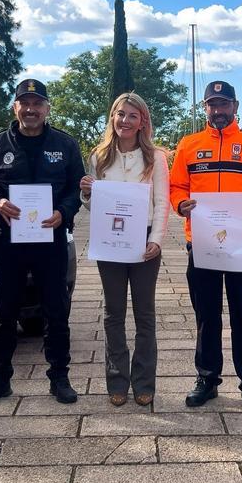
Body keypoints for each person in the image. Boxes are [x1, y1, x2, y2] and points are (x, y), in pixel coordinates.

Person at [0, 79, 86, 405]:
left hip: (51, 241)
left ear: (47, 108)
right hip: (9, 241)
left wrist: (64, 211)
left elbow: (76, 188)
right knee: (4, 312)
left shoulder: (65, 144)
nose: (31, 109)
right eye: (25, 102)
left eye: (37, 103)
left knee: (56, 310)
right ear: (15, 107)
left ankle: (59, 378)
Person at [169, 80, 242, 409]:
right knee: (206, 315)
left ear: (235, 106)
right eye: (212, 104)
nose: (218, 110)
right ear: (204, 108)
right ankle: (207, 378)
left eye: (224, 104)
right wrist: (180, 203)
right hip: (201, 244)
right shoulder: (188, 146)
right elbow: (176, 186)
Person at [80, 93, 170, 407]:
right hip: (110, 241)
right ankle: (116, 380)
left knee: (144, 314)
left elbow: (161, 203)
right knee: (113, 314)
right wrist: (87, 194)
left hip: (144, 240)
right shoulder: (99, 156)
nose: (125, 121)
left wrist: (156, 239)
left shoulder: (156, 157)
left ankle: (144, 382)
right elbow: (92, 206)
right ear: (112, 118)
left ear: (142, 121)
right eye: (120, 114)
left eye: (133, 115)